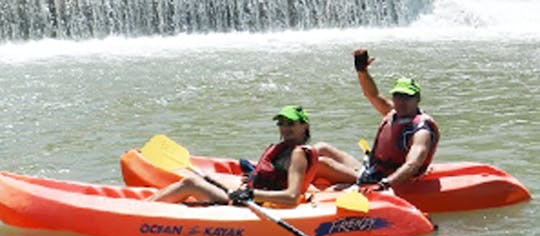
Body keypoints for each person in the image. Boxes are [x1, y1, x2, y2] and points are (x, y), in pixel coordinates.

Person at [315, 49, 439, 192]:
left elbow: (412, 164)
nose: (401, 101)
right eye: (398, 96)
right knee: (320, 148)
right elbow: (372, 95)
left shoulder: (421, 131)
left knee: (321, 164)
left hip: (386, 180)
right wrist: (362, 71)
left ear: (417, 99)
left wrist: (383, 184)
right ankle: (289, 177)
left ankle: (293, 191)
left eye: (407, 97)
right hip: (372, 170)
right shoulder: (393, 113)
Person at [147, 105, 318, 206]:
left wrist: (252, 195)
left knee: (190, 183)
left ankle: (143, 209)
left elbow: (291, 196)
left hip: (257, 204)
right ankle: (145, 204)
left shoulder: (298, 154)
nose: (284, 128)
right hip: (251, 196)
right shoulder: (283, 148)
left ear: (304, 126)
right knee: (205, 179)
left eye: (290, 124)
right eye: (281, 123)